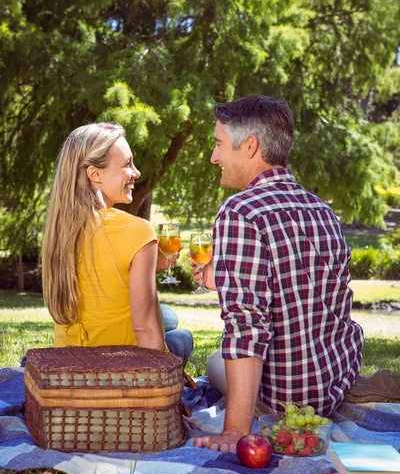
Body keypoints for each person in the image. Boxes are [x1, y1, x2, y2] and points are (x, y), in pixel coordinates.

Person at [191, 94, 366, 452]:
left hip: (287, 397)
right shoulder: (321, 210)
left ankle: (249, 410)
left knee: (213, 362)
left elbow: (247, 325)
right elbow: (312, 289)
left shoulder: (240, 211)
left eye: (219, 144)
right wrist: (220, 278)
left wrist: (235, 430)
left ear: (251, 146)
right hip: (334, 380)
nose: (214, 157)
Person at [41, 122, 193, 365]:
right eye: (127, 165)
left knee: (169, 316)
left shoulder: (59, 231)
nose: (136, 172)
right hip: (120, 369)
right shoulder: (137, 230)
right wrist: (152, 392)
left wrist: (148, 264)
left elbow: (98, 273)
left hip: (70, 366)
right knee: (182, 337)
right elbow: (145, 330)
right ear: (95, 174)